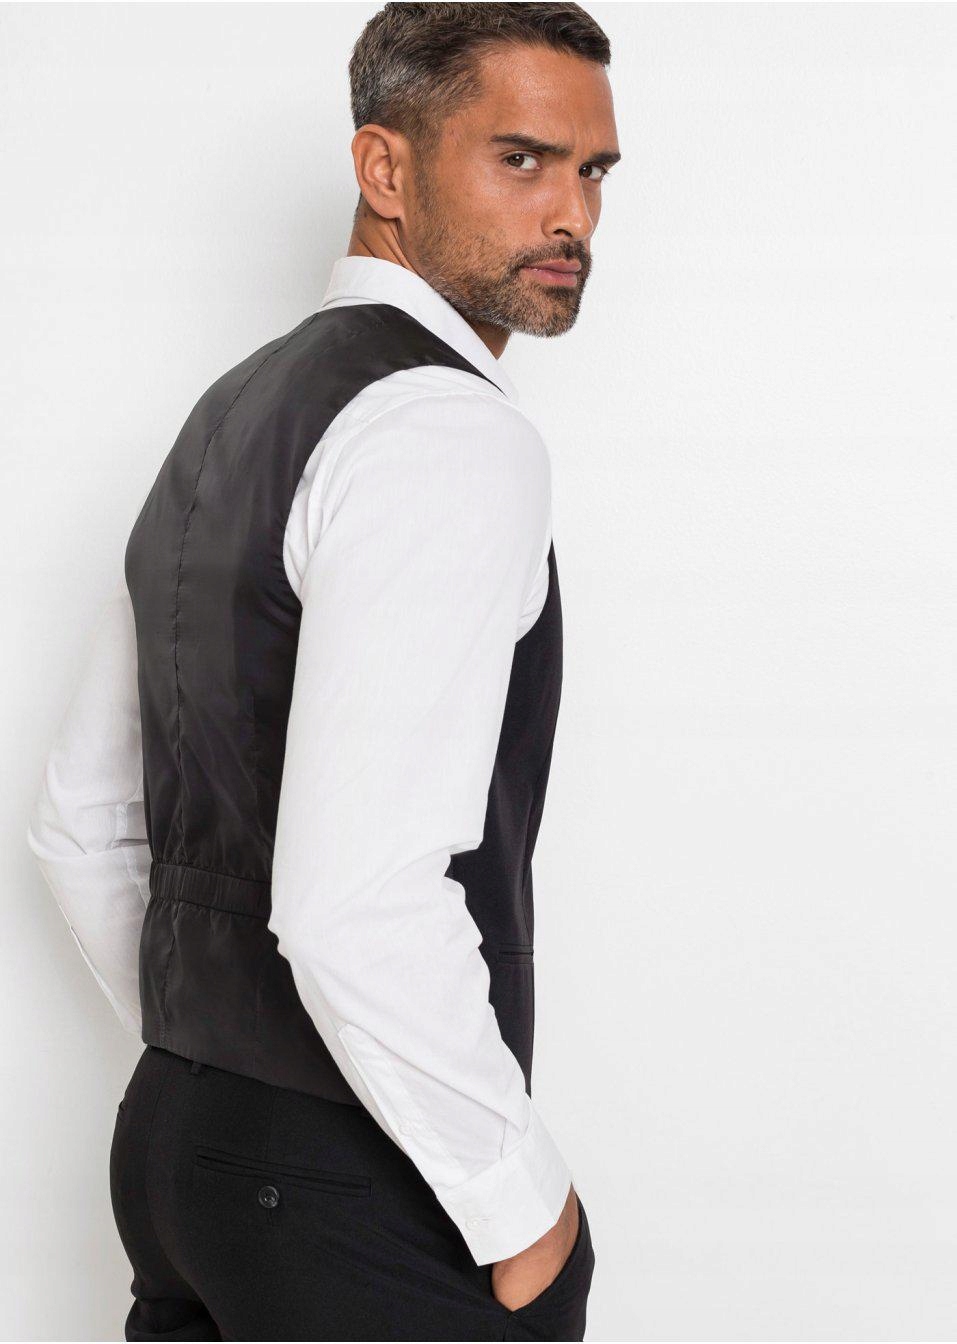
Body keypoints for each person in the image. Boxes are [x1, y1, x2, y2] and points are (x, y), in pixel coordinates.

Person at [26, 3, 620, 1338]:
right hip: (359, 1180)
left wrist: (222, 1062)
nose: (572, 212)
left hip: (180, 1148)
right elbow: (355, 902)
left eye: (592, 171)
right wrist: (523, 1204)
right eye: (521, 158)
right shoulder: (447, 432)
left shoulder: (230, 413)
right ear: (384, 169)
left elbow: (81, 825)